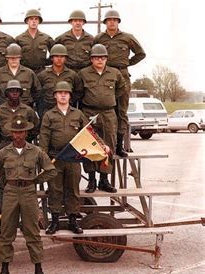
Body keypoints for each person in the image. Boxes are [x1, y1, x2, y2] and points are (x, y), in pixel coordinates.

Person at [0, 114, 57, 274]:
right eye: (15, 132)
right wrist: (6, 184)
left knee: (32, 232)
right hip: (10, 193)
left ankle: (38, 271)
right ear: (11, 133)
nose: (18, 135)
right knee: (6, 232)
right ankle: (4, 271)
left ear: (26, 133)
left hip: (28, 192)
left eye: (22, 132)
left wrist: (35, 181)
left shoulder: (36, 152)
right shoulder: (4, 153)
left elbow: (51, 170)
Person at [94, 10, 146, 156]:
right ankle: (103, 143)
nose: (112, 22)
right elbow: (93, 55)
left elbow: (141, 54)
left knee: (121, 111)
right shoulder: (98, 38)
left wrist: (126, 63)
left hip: (122, 75)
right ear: (105, 22)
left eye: (114, 20)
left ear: (118, 22)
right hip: (104, 75)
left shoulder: (127, 37)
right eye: (109, 20)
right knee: (105, 108)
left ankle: (119, 145)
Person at [0, 80, 40, 235]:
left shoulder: (28, 110)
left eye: (17, 91)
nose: (14, 93)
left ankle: (26, 223)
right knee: (3, 186)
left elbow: (35, 127)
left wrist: (25, 140)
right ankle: (2, 221)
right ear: (6, 93)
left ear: (21, 93)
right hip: (5, 147)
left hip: (24, 148)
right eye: (11, 91)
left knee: (25, 182)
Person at [39, 81, 88, 234]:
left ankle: (73, 220)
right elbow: (44, 138)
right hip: (55, 158)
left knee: (73, 189)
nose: (63, 95)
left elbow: (87, 133)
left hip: (73, 158)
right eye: (60, 93)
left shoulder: (78, 114)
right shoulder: (49, 115)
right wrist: (44, 159)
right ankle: (55, 221)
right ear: (55, 96)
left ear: (70, 96)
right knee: (55, 189)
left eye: (66, 93)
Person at [78, 44, 126, 193]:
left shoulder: (115, 73)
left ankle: (104, 179)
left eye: (102, 57)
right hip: (89, 112)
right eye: (96, 57)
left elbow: (121, 89)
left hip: (108, 113)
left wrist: (107, 99)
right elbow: (78, 92)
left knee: (108, 145)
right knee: (90, 144)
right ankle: (91, 179)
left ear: (106, 59)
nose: (100, 60)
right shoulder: (83, 74)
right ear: (91, 59)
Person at [37, 44, 83, 118]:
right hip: (48, 111)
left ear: (65, 58)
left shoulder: (72, 75)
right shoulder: (42, 75)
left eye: (62, 56)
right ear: (52, 58)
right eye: (56, 56)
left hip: (67, 112)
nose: (59, 59)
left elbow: (78, 92)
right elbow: (38, 94)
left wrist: (70, 102)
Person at [0, 43, 41, 109]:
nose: (14, 60)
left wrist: (29, 102)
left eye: (16, 57)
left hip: (25, 109)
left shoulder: (29, 73)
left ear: (20, 58)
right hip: (4, 110)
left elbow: (37, 91)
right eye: (11, 58)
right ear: (7, 58)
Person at [15, 9, 54, 74]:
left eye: (36, 19)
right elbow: (14, 55)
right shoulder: (19, 39)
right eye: (31, 19)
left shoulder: (46, 38)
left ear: (39, 21)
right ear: (27, 21)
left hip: (41, 71)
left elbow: (55, 54)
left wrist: (45, 62)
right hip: (24, 72)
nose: (34, 21)